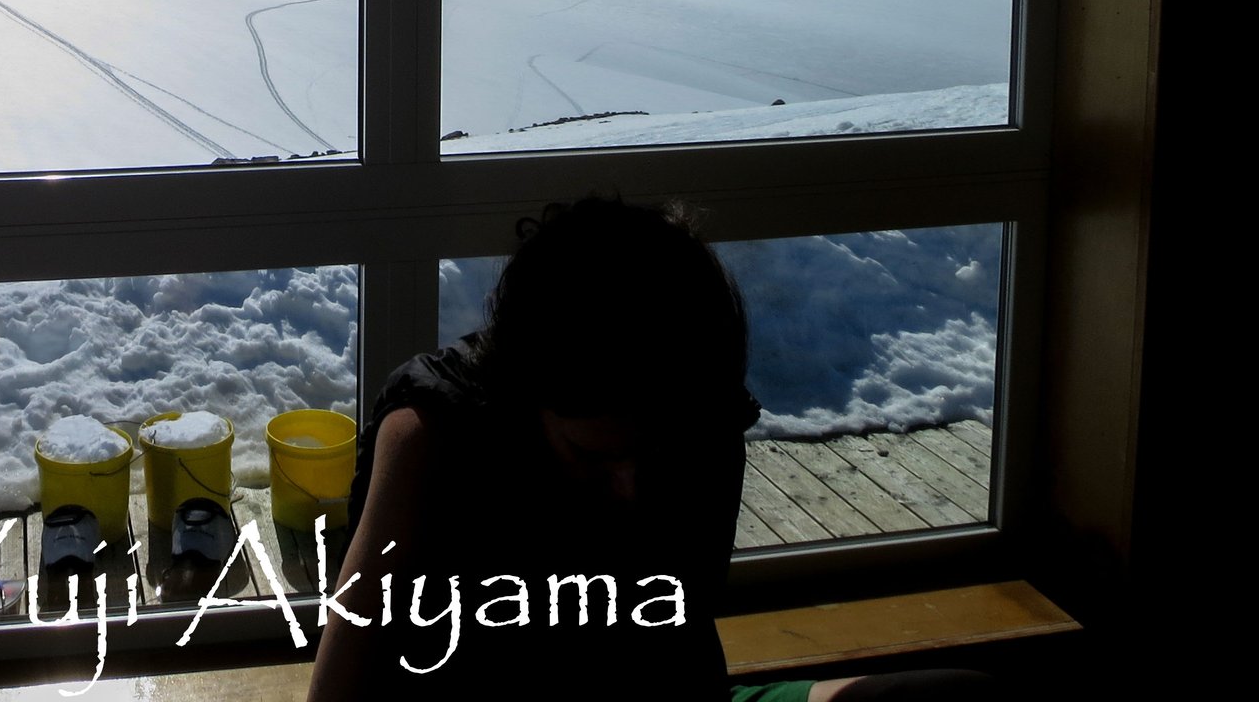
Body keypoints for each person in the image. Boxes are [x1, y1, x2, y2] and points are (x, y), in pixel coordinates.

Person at [304, 200, 999, 700]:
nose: (633, 488)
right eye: (593, 460)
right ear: (526, 396)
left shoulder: (699, 408)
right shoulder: (434, 434)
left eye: (658, 453)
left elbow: (675, 632)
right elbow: (344, 681)